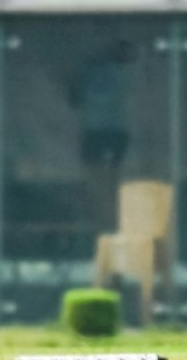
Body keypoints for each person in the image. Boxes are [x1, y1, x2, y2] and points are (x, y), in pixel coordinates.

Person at [69, 39, 136, 233]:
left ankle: (105, 220)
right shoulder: (102, 73)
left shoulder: (105, 73)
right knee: (102, 179)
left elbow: (76, 98)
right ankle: (105, 221)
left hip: (106, 132)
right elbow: (79, 98)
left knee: (103, 179)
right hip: (102, 132)